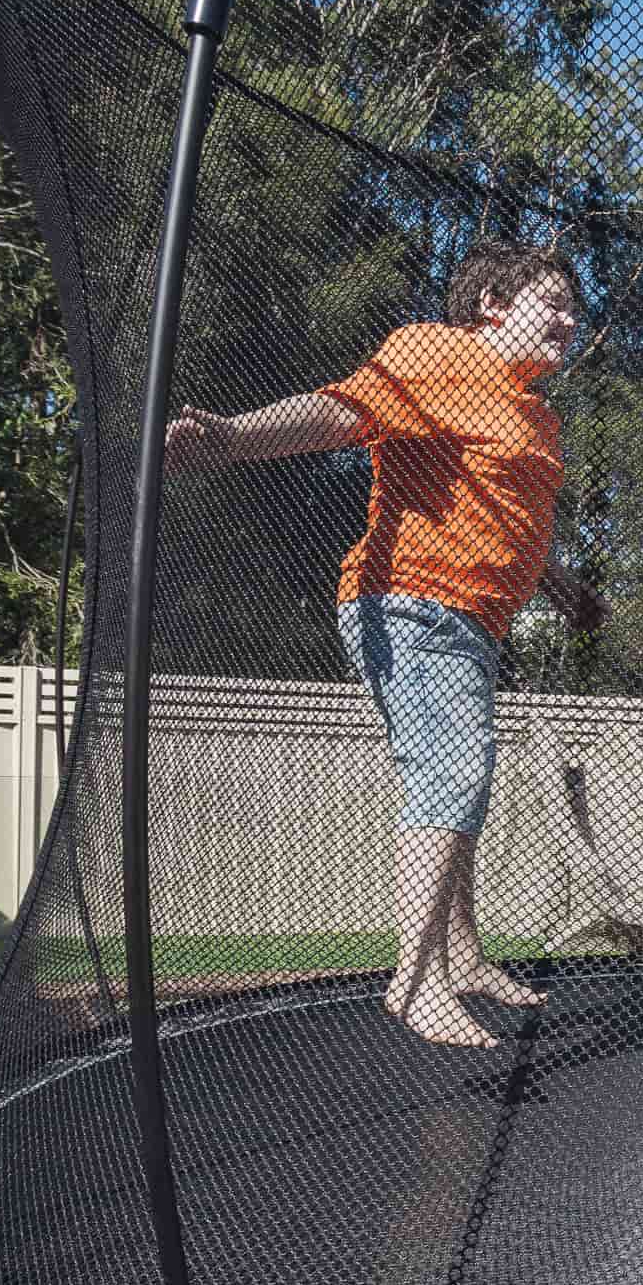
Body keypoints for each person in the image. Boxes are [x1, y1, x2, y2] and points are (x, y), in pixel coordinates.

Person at [165, 242, 606, 1048]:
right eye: (553, 302)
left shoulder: (535, 414)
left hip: (473, 623)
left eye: (574, 309)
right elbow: (342, 412)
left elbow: (510, 519)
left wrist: (559, 585)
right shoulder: (437, 351)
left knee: (461, 782)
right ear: (493, 305)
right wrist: (232, 438)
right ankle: (417, 978)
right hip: (413, 604)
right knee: (453, 771)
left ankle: (463, 958)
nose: (569, 320)